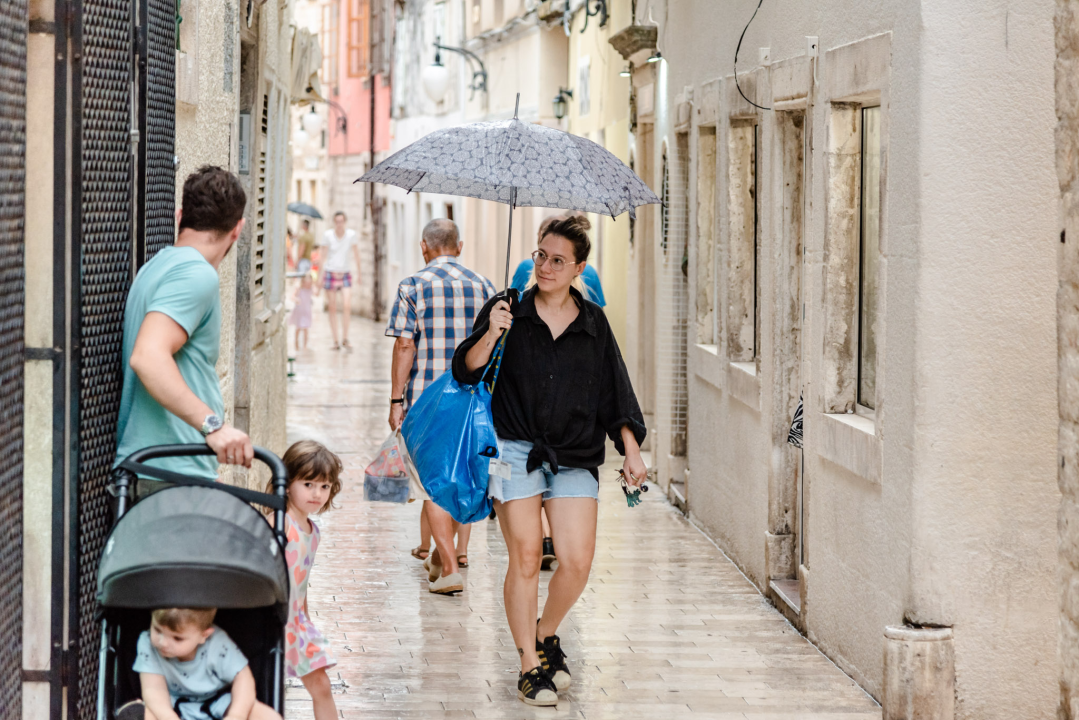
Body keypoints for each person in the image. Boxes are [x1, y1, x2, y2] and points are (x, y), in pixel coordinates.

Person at [452, 215, 647, 706]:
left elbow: (613, 391)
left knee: (576, 560)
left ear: (580, 266)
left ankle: (545, 633)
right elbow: (466, 370)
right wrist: (491, 333)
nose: (546, 266)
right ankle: (527, 664)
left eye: (558, 260)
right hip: (514, 447)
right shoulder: (508, 308)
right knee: (524, 554)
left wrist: (631, 449)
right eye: (541, 255)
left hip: (575, 452)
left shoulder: (593, 322)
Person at [113, 166, 253, 483]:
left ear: (180, 216)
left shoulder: (158, 265)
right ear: (238, 229)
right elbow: (147, 357)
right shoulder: (196, 274)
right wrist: (213, 425)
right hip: (170, 470)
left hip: (158, 468)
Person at [386, 218, 495, 595]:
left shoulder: (413, 286)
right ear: (459, 246)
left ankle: (449, 567)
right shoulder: (484, 287)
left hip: (425, 403)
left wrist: (396, 399)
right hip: (472, 399)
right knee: (462, 476)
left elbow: (404, 346)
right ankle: (448, 555)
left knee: (432, 484)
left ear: (424, 247)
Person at [272, 440, 342, 720]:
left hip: (297, 624)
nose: (317, 493)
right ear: (288, 483)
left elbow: (301, 583)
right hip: (273, 621)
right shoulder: (279, 523)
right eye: (309, 484)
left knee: (321, 686)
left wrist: (306, 617)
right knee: (262, 691)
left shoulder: (312, 530)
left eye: (325, 486)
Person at [125, 607, 279, 720]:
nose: (163, 642)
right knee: (146, 713)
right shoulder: (147, 643)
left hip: (218, 702)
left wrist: (236, 715)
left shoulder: (217, 644)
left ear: (204, 635)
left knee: (267, 716)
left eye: (177, 638)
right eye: (157, 630)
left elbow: (243, 677)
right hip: (171, 705)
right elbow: (153, 689)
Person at [510, 215, 606, 307]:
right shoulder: (512, 309)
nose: (544, 268)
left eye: (557, 260)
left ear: (579, 268)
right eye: (541, 254)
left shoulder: (594, 316)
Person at [318, 212, 361, 350]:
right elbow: (323, 256)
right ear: (334, 222)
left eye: (341, 221)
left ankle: (345, 338)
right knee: (332, 307)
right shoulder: (328, 235)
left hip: (345, 273)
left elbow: (356, 254)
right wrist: (319, 278)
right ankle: (335, 340)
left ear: (345, 222)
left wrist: (359, 274)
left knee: (347, 305)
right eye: (337, 221)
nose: (339, 224)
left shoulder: (351, 235)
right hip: (331, 272)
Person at [290, 273, 314, 350]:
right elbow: (292, 296)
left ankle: (305, 345)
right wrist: (296, 299)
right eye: (307, 284)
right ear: (303, 282)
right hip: (299, 312)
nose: (308, 286)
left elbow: (316, 293)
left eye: (309, 284)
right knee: (298, 328)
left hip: (307, 311)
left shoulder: (310, 289)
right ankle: (296, 342)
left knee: (306, 328)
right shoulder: (299, 289)